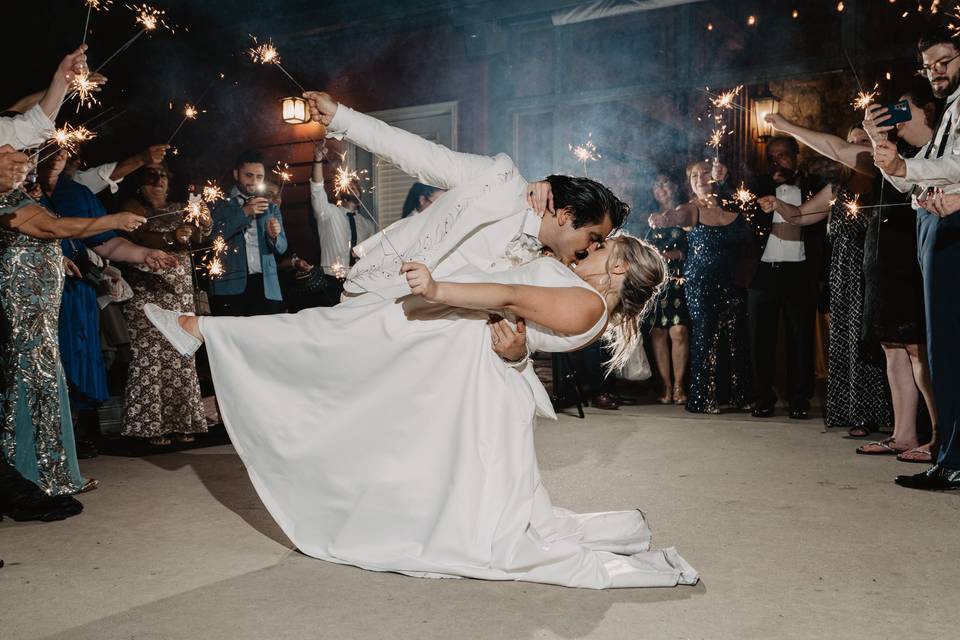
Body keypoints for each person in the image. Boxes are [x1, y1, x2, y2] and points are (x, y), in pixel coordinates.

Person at [139, 96, 697, 589]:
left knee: (383, 423)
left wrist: (516, 350)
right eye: (592, 236)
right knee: (326, 344)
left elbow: (522, 318)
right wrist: (345, 120)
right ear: (565, 212)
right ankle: (212, 336)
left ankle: (209, 335)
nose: (590, 248)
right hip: (391, 292)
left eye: (600, 244)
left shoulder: (564, 272)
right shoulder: (500, 179)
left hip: (442, 337)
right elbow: (416, 152)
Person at [1, 191, 149, 495]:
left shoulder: (19, 193)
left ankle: (46, 468)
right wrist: (114, 220)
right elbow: (51, 227)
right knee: (29, 378)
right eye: (12, 156)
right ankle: (32, 472)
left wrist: (56, 255)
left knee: (43, 380)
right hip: (23, 305)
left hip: (38, 303)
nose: (22, 164)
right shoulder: (7, 199)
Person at [760, 114, 894, 437]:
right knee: (846, 343)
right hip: (842, 277)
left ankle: (882, 412)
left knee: (876, 344)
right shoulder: (836, 189)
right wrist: (776, 203)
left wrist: (789, 126)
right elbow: (800, 216)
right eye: (853, 141)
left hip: (873, 273)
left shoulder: (883, 180)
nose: (857, 147)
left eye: (864, 141)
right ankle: (854, 412)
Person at [868, 23, 960, 490]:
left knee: (948, 346)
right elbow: (912, 182)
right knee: (942, 347)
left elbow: (955, 165)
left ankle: (952, 458)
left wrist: (911, 169)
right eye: (929, 66)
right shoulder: (948, 110)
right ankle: (948, 454)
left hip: (953, 230)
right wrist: (881, 148)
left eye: (945, 61)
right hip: (933, 225)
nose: (937, 72)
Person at [118, 162, 211, 446]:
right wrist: (171, 237)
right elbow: (139, 236)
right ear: (140, 182)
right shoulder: (132, 208)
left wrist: (203, 224)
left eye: (164, 176)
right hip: (147, 290)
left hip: (179, 290)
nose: (159, 181)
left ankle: (184, 423)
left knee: (181, 355)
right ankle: (149, 427)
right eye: (152, 175)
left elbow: (196, 236)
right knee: (150, 357)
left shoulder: (181, 206)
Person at [654, 161, 751, 414]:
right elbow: (676, 216)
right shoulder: (690, 209)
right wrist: (664, 219)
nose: (698, 179)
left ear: (718, 175)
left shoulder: (733, 205)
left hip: (734, 281)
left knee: (736, 339)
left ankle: (739, 394)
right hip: (701, 283)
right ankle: (701, 398)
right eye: (693, 175)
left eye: (704, 173)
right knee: (706, 338)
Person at [743, 136, 821, 420]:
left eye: (784, 155)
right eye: (772, 157)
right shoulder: (757, 186)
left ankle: (799, 399)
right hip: (763, 271)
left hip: (799, 270)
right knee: (760, 339)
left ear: (796, 155)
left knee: (800, 339)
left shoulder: (813, 186)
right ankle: (762, 398)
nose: (778, 161)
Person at [209, 150, 288, 316]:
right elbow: (213, 236)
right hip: (230, 287)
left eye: (259, 177)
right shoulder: (219, 204)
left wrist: (273, 236)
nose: (254, 181)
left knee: (266, 339)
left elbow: (282, 248)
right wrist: (244, 212)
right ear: (236, 174)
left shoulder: (271, 207)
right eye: (249, 175)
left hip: (266, 286)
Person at [310, 141, 375, 304]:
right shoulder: (328, 213)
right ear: (340, 192)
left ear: (360, 198)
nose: (351, 186)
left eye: (356, 186)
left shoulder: (368, 225)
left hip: (359, 283)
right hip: (331, 282)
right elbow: (317, 189)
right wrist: (317, 160)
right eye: (348, 185)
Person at [644, 172, 689, 404]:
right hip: (655, 282)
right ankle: (666, 386)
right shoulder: (648, 217)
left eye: (665, 182)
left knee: (678, 331)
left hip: (680, 279)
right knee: (658, 332)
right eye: (656, 184)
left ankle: (681, 385)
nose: (660, 188)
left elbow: (695, 246)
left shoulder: (685, 212)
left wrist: (677, 254)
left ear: (674, 185)